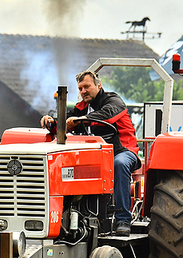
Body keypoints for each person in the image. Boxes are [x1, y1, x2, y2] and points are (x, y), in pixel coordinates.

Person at [40, 71, 140, 236]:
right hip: (96, 155)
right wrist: (52, 122)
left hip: (122, 151)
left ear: (98, 85)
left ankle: (123, 219)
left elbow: (107, 116)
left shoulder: (114, 101)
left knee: (119, 164)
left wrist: (81, 120)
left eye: (87, 86)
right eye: (80, 88)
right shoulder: (81, 108)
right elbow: (66, 122)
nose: (83, 91)